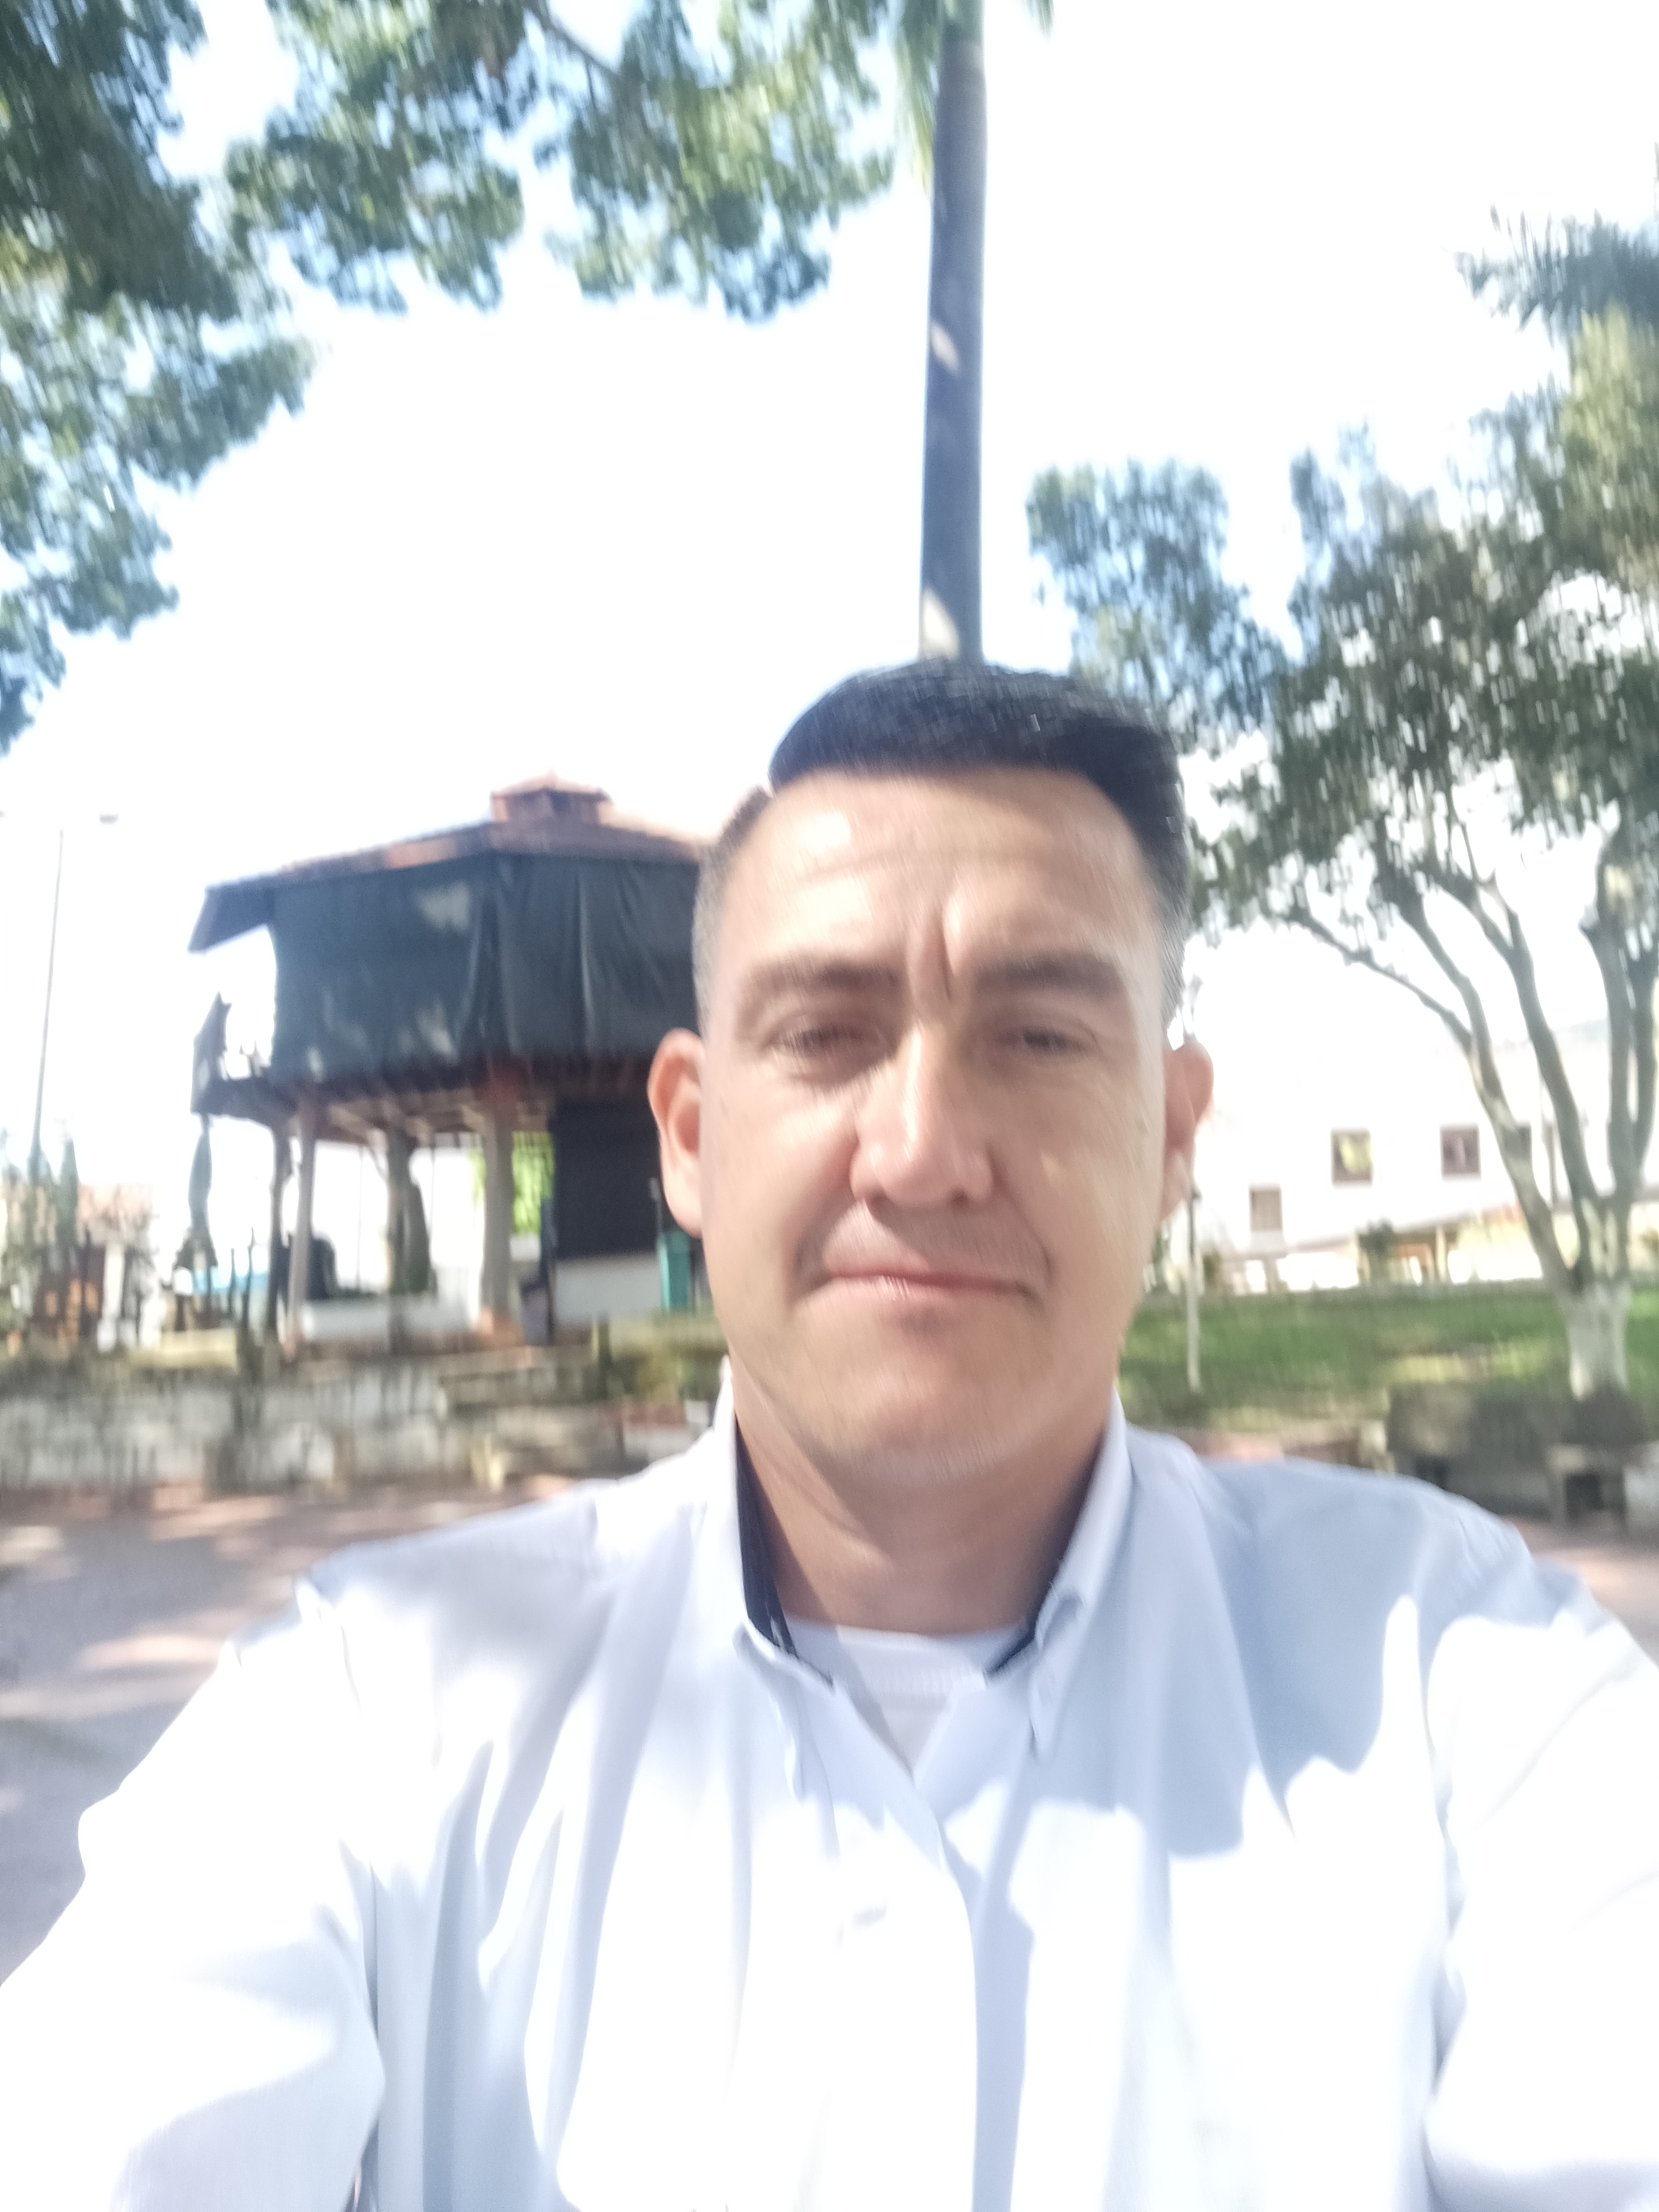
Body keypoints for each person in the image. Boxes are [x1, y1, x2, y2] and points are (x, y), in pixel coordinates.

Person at [3, 660, 1657, 2210]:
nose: (923, 1152)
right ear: (690, 1135)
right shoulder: (367, 1713)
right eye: (822, 1034)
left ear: (1171, 1137)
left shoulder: (1466, 1682)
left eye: (1039, 1036)